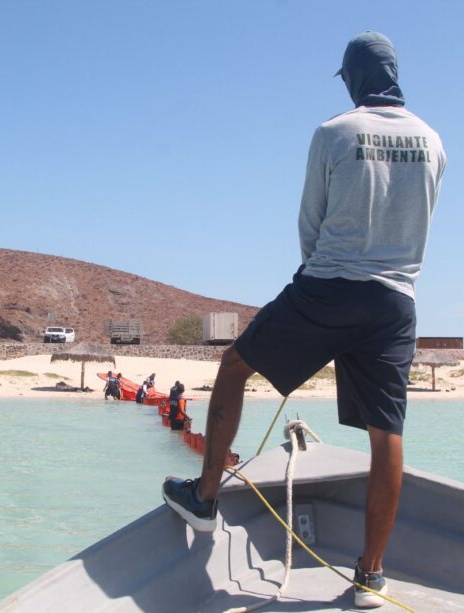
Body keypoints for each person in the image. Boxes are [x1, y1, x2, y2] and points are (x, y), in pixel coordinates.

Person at [161, 32, 446, 609]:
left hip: (329, 285)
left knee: (234, 365)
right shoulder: (434, 141)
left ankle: (205, 498)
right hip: (396, 302)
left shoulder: (334, 132)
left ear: (353, 78)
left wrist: (321, 288)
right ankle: (371, 574)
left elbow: (309, 225)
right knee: (386, 433)